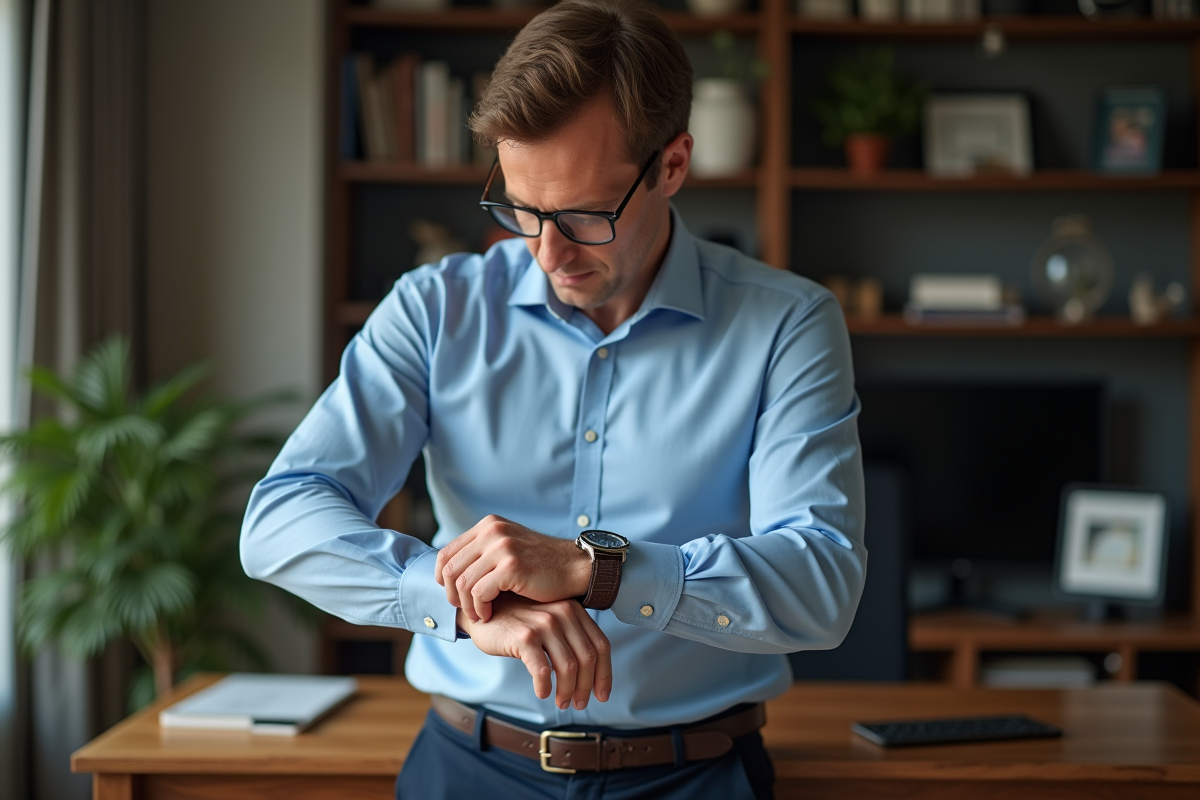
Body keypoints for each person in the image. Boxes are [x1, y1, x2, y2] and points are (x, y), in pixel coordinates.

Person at [240, 0, 866, 797]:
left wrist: (597, 571)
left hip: (697, 777)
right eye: (522, 210)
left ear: (673, 165)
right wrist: (459, 603)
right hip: (466, 767)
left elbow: (821, 586)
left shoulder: (788, 325)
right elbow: (280, 518)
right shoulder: (435, 310)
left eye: (582, 215)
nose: (546, 251)